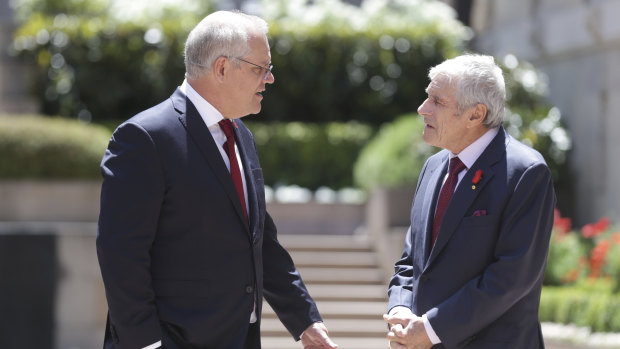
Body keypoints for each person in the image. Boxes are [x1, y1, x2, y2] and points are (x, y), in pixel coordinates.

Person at [96, 10, 338, 349]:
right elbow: (121, 253)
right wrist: (147, 344)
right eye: (260, 68)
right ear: (222, 67)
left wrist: (305, 321)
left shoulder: (242, 136)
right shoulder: (144, 138)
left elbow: (259, 241)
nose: (268, 79)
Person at [383, 54, 556, 349]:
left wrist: (432, 328)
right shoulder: (433, 167)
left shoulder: (527, 173)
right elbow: (411, 262)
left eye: (437, 101)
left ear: (476, 114)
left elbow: (510, 278)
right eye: (427, 97)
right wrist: (400, 310)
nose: (422, 109)